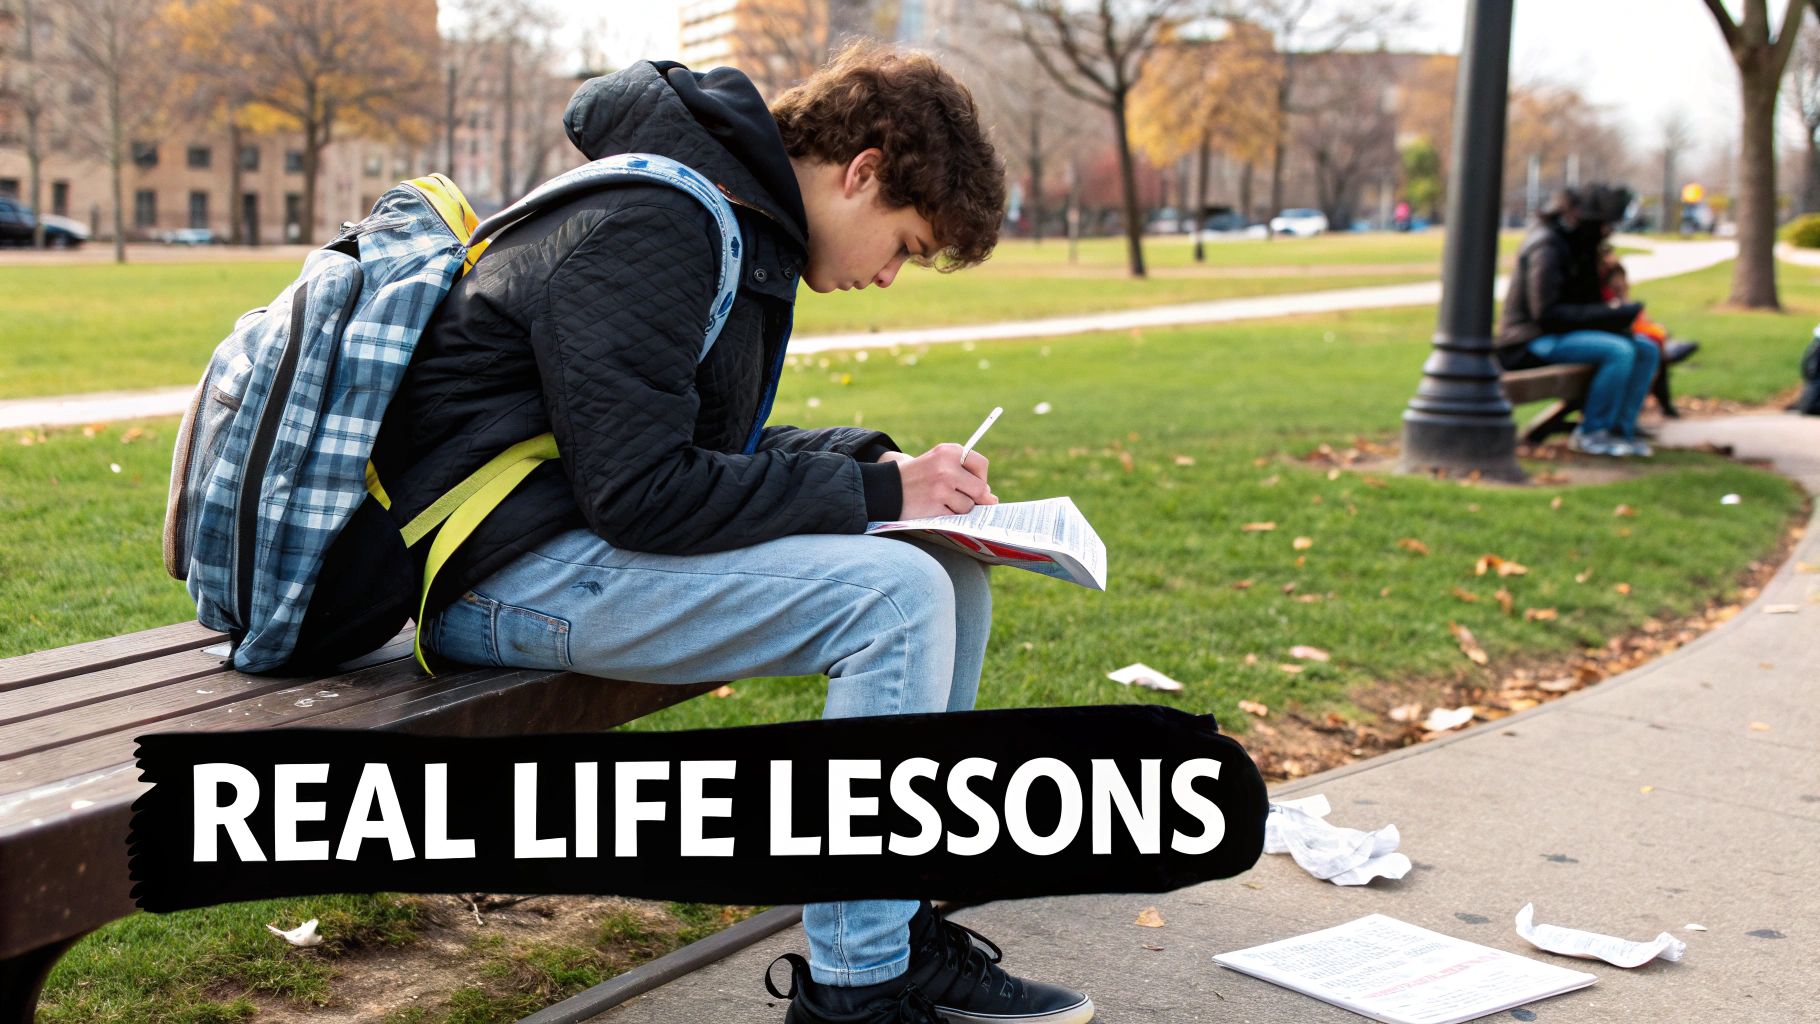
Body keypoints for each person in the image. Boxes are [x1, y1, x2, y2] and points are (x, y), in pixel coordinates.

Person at [362, 44, 1094, 1024]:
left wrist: (886, 472)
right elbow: (643, 492)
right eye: (904, 246)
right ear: (862, 170)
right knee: (896, 595)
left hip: (564, 537)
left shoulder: (730, 220)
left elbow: (691, 443)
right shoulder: (657, 222)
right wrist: (874, 490)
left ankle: (891, 921)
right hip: (491, 573)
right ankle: (856, 988)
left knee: (942, 572)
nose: (887, 277)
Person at [1496, 185, 1660, 457]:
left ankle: (1620, 430)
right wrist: (1612, 315)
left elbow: (1587, 303)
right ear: (1576, 217)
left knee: (1646, 348)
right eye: (1604, 225)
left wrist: (1617, 312)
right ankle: (1592, 433)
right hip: (1531, 340)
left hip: (1562, 334)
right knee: (1618, 351)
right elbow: (1546, 315)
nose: (1608, 232)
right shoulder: (1546, 246)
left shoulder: (1580, 246)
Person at [1597, 245, 1700, 419]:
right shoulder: (1599, 282)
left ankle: (1627, 422)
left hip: (1630, 333)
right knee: (1649, 349)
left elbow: (1632, 313)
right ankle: (1618, 422)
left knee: (1652, 347)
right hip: (1616, 336)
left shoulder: (1614, 275)